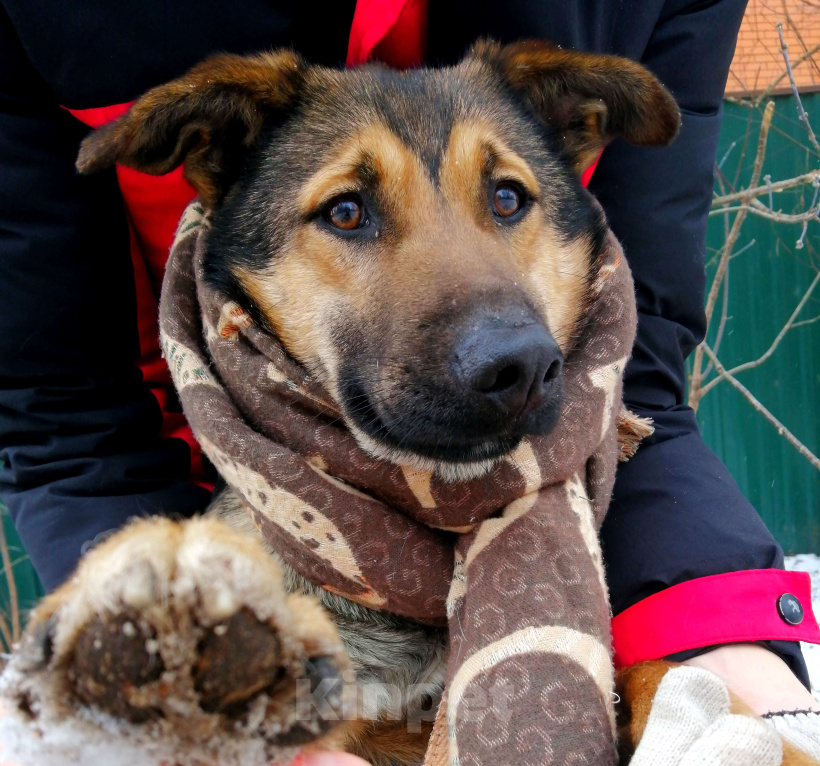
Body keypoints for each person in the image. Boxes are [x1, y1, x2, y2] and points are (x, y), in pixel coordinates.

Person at [0, 0, 818, 750]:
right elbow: (60, 417)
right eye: (348, 213)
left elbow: (636, 396)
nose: (495, 334)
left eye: (506, 199)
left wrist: (723, 659)